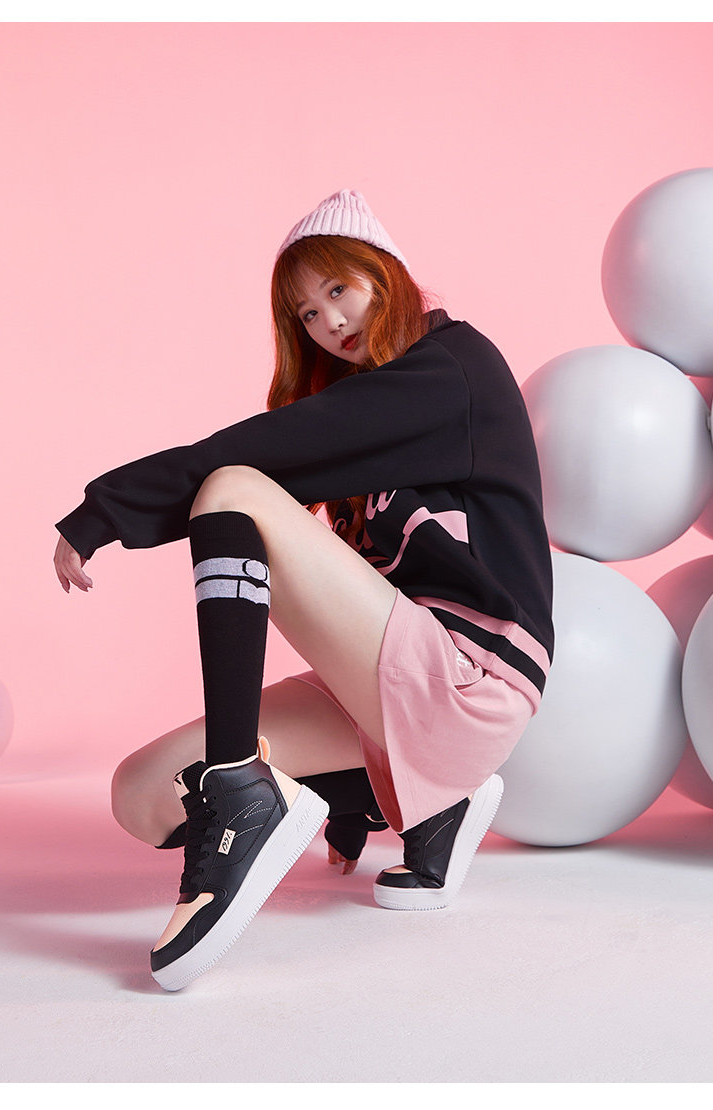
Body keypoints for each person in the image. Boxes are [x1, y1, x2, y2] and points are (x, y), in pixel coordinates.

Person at [53, 189, 554, 992]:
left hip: (470, 676)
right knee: (140, 796)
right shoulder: (375, 409)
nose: (328, 322)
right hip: (391, 682)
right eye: (307, 313)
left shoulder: (452, 367)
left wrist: (109, 507)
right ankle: (411, 799)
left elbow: (261, 450)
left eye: (338, 290)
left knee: (233, 488)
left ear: (386, 275)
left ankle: (241, 793)